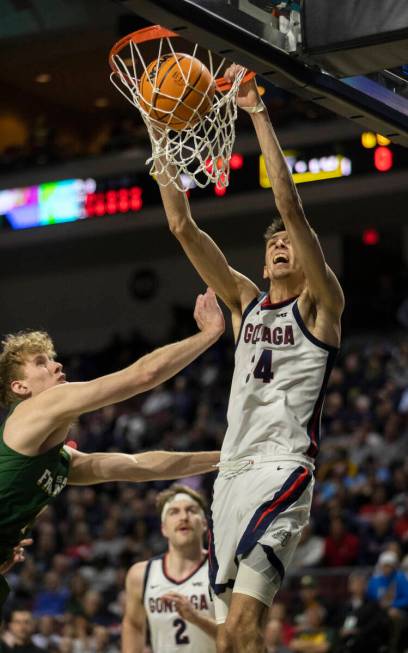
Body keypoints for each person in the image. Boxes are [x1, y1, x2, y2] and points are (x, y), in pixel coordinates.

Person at [155, 64, 344, 653]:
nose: (283, 245)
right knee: (236, 641)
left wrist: (255, 111)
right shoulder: (245, 304)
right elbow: (182, 226)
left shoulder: (321, 306)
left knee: (240, 628)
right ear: (261, 265)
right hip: (230, 479)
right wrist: (162, 138)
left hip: (283, 470)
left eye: (288, 242)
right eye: (273, 246)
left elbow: (291, 209)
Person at [0, 288, 224, 614]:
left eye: (52, 358)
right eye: (41, 363)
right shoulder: (37, 406)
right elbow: (142, 375)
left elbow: (140, 466)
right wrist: (209, 334)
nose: (56, 364)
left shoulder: (62, 461)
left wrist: (224, 458)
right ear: (20, 387)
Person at [122, 484, 216, 653]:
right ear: (164, 528)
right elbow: (134, 625)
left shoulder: (222, 570)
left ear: (204, 524)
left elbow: (241, 635)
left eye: (191, 510)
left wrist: (197, 618)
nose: (184, 517)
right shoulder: (141, 575)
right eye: (174, 512)